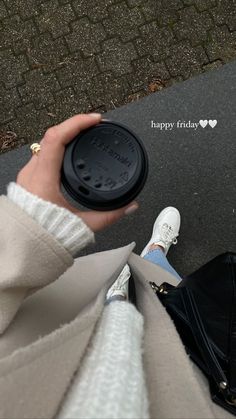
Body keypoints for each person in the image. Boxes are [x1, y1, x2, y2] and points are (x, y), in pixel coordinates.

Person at [0, 113, 232, 419]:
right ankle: (155, 255)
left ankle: (134, 274)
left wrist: (30, 229)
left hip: (64, 313)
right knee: (174, 295)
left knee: (127, 281)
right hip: (198, 381)